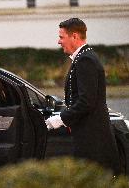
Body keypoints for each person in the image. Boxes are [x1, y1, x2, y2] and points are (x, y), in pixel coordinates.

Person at [45, 18, 120, 174]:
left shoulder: (86, 60)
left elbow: (86, 102)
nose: (59, 42)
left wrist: (59, 119)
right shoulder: (83, 58)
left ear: (74, 37)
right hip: (89, 135)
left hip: (93, 138)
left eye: (61, 37)